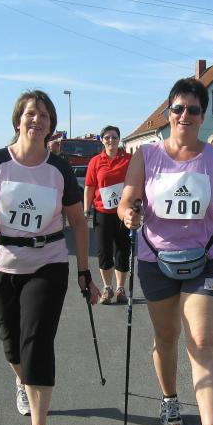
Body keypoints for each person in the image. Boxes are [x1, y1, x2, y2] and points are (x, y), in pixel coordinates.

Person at [118, 78, 213, 425]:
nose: (184, 115)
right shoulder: (147, 155)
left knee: (202, 341)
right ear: (168, 113)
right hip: (156, 258)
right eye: (178, 108)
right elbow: (127, 200)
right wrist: (128, 213)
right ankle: (169, 398)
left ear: (202, 116)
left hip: (207, 256)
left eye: (193, 109)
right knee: (166, 337)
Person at [0, 89, 100, 425]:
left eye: (44, 115)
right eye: (30, 114)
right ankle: (22, 379)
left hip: (48, 263)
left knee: (37, 343)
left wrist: (84, 271)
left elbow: (78, 222)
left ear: (51, 124)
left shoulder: (58, 169)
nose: (37, 120)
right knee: (12, 344)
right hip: (4, 263)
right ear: (18, 120)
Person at [84, 125, 132, 304]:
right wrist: (86, 210)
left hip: (123, 213)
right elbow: (89, 187)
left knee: (123, 250)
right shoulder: (96, 161)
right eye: (107, 137)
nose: (111, 140)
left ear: (119, 139)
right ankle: (107, 287)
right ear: (102, 140)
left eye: (114, 137)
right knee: (104, 251)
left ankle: (120, 288)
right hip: (102, 213)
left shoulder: (128, 159)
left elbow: (137, 181)